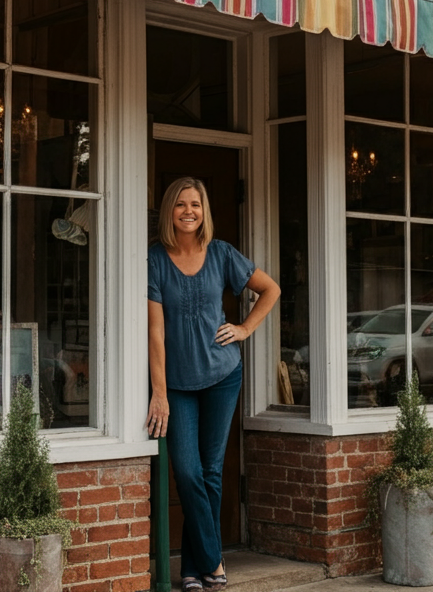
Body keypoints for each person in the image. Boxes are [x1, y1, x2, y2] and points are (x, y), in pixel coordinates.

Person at [145, 177, 280, 592]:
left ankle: (191, 570)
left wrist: (243, 328)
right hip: (179, 386)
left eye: (196, 205)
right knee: (187, 472)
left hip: (223, 375)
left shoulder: (221, 254)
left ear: (204, 212)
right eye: (181, 204)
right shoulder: (155, 259)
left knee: (211, 471)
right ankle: (214, 561)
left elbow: (270, 289)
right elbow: (155, 332)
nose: (189, 211)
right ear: (170, 210)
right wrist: (160, 392)